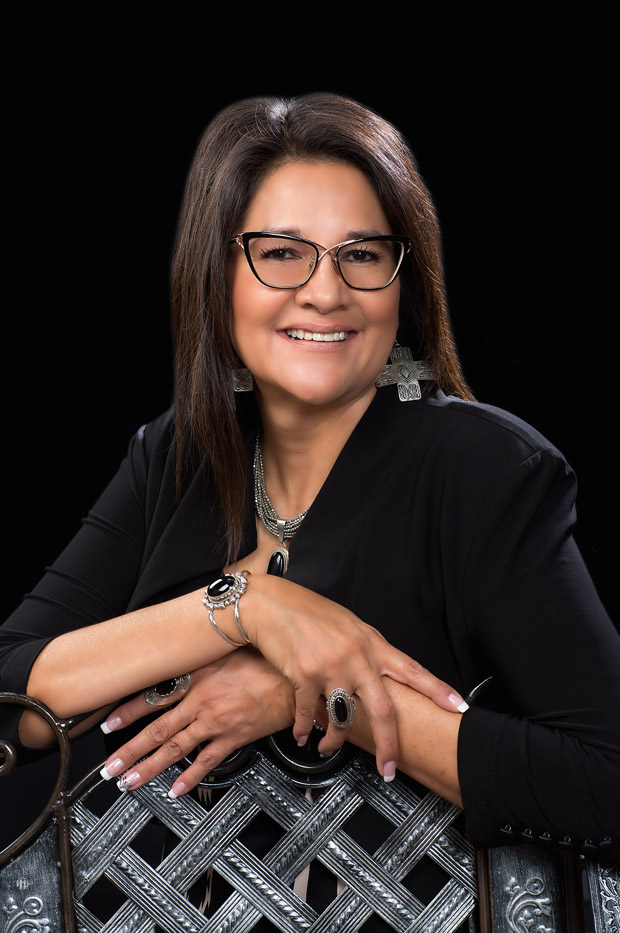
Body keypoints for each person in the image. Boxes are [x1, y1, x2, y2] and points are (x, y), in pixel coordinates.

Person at [1, 94, 618, 925]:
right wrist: (246, 610)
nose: (325, 291)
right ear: (217, 274)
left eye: (362, 255)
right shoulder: (178, 455)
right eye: (282, 253)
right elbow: (13, 702)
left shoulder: (485, 471)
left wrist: (322, 695)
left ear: (404, 279)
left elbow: (606, 781)